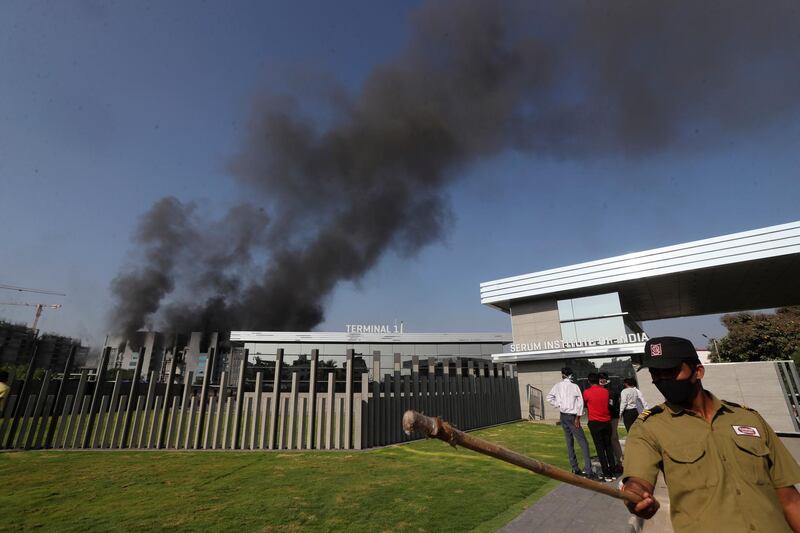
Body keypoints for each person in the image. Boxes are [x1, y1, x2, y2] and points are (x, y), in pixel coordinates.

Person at [622, 336, 800, 532]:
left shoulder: (749, 418)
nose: (663, 380)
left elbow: (789, 499)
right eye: (656, 373)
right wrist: (635, 495)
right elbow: (637, 481)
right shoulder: (648, 427)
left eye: (671, 371)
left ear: (698, 371)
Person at [546, 367, 593, 478]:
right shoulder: (574, 386)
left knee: (569, 441)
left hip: (563, 416)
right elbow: (580, 403)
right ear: (571, 375)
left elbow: (549, 398)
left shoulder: (558, 386)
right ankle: (588, 470)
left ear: (562, 375)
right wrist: (578, 417)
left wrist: (559, 404)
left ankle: (575, 468)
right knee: (583, 442)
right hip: (572, 417)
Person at [583, 372, 617, 481]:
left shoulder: (587, 392)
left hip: (595, 422)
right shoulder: (606, 392)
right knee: (608, 447)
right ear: (598, 380)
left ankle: (606, 474)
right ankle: (612, 472)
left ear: (589, 381)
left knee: (600, 449)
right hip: (606, 422)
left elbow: (583, 404)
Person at [599, 371, 623, 471]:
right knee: (608, 440)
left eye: (602, 378)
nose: (601, 380)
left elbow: (613, 404)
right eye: (599, 378)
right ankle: (613, 462)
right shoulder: (600, 389)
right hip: (604, 417)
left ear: (606, 379)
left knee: (613, 438)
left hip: (612, 416)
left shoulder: (612, 389)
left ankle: (620, 462)